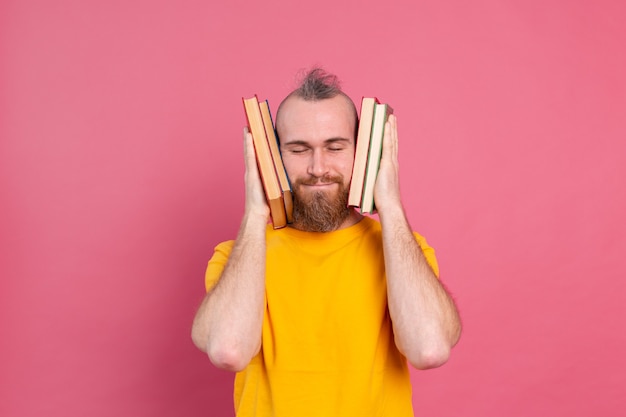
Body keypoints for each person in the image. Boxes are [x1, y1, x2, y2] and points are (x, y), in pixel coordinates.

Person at [191, 68, 461, 416]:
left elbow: (430, 349)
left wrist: (391, 205)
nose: (318, 168)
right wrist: (255, 215)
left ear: (364, 152)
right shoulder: (236, 256)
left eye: (335, 147)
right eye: (299, 149)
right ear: (271, 157)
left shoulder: (403, 250)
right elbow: (229, 349)